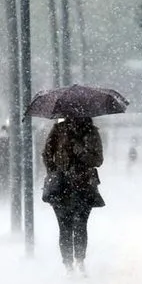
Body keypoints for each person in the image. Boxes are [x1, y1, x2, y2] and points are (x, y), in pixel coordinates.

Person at [42, 117, 105, 275]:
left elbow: (98, 160)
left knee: (80, 225)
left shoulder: (91, 132)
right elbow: (47, 154)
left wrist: (82, 152)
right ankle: (68, 264)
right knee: (65, 227)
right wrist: (55, 172)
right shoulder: (58, 130)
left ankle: (79, 260)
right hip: (61, 186)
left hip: (84, 185)